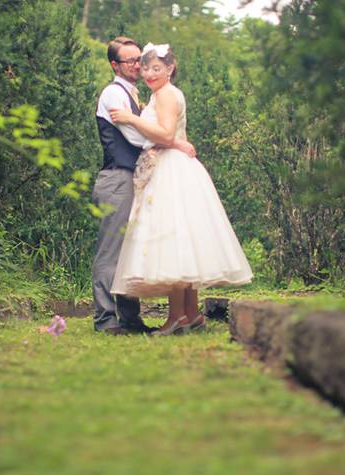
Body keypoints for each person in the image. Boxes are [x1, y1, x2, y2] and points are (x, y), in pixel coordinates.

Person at [109, 43, 253, 336]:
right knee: (183, 239)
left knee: (171, 238)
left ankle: (176, 317)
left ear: (170, 69)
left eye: (156, 68)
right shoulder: (162, 94)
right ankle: (190, 313)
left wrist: (131, 118)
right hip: (173, 163)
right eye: (146, 68)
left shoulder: (166, 95)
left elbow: (164, 133)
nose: (149, 73)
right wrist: (176, 141)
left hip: (171, 169)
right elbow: (171, 135)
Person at [92, 37, 196, 335]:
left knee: (130, 249)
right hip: (118, 177)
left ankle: (130, 318)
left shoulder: (138, 94)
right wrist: (174, 140)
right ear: (115, 65)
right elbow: (137, 139)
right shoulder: (113, 95)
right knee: (111, 251)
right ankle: (105, 320)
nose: (138, 65)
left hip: (136, 177)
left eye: (140, 59)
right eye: (130, 61)